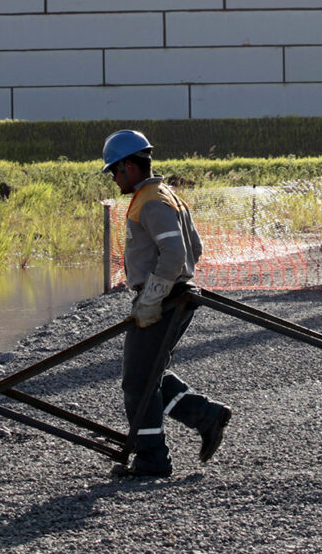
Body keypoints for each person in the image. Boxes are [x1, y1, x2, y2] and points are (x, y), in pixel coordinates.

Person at [101, 129, 232, 478]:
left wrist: (151, 299)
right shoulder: (165, 195)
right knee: (149, 374)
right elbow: (196, 248)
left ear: (130, 165)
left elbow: (174, 254)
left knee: (138, 382)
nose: (114, 178)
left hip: (165, 300)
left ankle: (153, 460)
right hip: (175, 297)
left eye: (114, 170)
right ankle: (204, 415)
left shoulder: (152, 201)